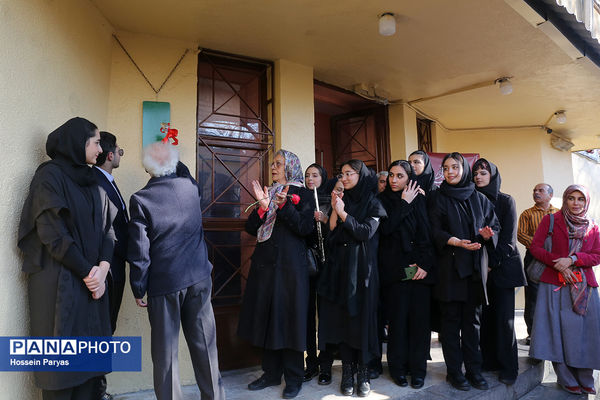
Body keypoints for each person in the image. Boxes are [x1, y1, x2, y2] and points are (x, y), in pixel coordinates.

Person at [17, 117, 115, 400]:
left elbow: (110, 229)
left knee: (88, 375)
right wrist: (90, 274)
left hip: (92, 288)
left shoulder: (92, 180)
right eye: (96, 142)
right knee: (61, 376)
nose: (100, 149)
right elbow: (52, 233)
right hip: (61, 288)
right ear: (78, 142)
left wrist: (103, 269)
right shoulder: (49, 177)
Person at [128, 142, 224, 400]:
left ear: (147, 168)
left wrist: (138, 287)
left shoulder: (140, 199)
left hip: (165, 284)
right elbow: (183, 171)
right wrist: (171, 153)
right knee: (206, 346)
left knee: (166, 355)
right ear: (174, 164)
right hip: (199, 278)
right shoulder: (190, 188)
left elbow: (140, 251)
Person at [238, 149, 313, 399]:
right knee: (269, 318)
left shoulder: (303, 194)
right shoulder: (268, 193)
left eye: (279, 164)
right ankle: (270, 373)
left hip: (291, 269)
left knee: (290, 321)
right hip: (266, 268)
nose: (273, 167)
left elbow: (305, 228)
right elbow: (250, 228)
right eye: (273, 163)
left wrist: (282, 208)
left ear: (291, 166)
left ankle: (294, 377)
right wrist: (263, 207)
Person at [428, 152, 499, 392]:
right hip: (449, 270)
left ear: (463, 169)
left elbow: (494, 226)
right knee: (450, 324)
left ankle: (475, 371)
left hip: (474, 272)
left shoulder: (480, 199)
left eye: (454, 167)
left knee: (472, 324)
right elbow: (433, 230)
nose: (449, 172)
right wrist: (454, 241)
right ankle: (454, 373)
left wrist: (489, 235)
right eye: (446, 168)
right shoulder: (437, 198)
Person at [318, 159, 386, 397]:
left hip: (363, 269)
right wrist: (336, 212)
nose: (344, 178)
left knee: (363, 319)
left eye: (349, 174)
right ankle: (347, 371)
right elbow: (332, 234)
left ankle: (364, 371)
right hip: (341, 268)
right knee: (344, 318)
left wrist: (343, 213)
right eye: (342, 174)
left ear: (361, 176)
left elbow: (365, 232)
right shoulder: (341, 200)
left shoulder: (373, 202)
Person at [529, 185, 600, 396]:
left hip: (583, 285)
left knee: (585, 333)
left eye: (580, 199)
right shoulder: (550, 220)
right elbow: (535, 248)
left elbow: (597, 254)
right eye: (571, 198)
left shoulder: (593, 226)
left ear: (586, 202)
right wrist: (558, 263)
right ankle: (565, 377)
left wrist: (574, 260)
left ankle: (586, 378)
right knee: (556, 331)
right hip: (554, 284)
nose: (576, 203)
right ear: (565, 200)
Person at [378, 160, 435, 389]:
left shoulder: (421, 199)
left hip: (420, 271)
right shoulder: (383, 201)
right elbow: (386, 231)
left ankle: (418, 370)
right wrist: (403, 204)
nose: (393, 180)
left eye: (399, 176)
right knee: (398, 323)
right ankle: (398, 369)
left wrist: (423, 265)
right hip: (395, 272)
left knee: (420, 324)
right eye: (391, 175)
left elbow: (427, 235)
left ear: (409, 178)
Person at [472, 159, 526, 385]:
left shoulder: (505, 201)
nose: (478, 177)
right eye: (475, 173)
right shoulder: (471, 200)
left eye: (483, 173)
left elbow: (508, 240)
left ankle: (508, 368)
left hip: (502, 269)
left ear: (492, 176)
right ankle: (488, 361)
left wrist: (492, 263)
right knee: (485, 318)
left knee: (505, 321)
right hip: (480, 270)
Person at [92, 131, 128, 400]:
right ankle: (96, 390)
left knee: (107, 329)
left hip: (116, 265)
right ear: (110, 155)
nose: (120, 152)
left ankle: (98, 388)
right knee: (101, 330)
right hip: (107, 268)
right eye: (117, 148)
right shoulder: (95, 183)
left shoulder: (108, 181)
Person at [303, 163, 335, 385]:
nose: (310, 179)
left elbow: (338, 232)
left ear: (323, 178)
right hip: (306, 264)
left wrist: (324, 220)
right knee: (307, 316)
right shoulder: (303, 200)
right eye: (307, 176)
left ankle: (326, 366)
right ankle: (311, 363)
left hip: (327, 265)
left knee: (325, 316)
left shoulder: (331, 201)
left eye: (315, 175)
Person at [517, 183, 558, 344]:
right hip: (534, 257)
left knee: (554, 294)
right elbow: (521, 234)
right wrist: (540, 246)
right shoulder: (527, 213)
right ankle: (532, 333)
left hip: (556, 259)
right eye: (534, 190)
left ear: (550, 195)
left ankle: (554, 331)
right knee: (533, 296)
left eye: (540, 190)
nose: (536, 193)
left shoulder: (559, 213)